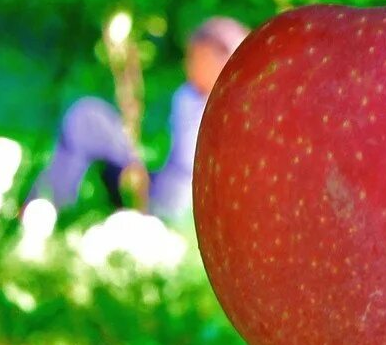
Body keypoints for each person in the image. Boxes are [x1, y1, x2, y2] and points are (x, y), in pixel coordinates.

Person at [34, 16, 249, 221]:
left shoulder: (237, 109)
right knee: (86, 117)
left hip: (169, 205)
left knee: (86, 121)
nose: (188, 66)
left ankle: (45, 204)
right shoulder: (189, 95)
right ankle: (44, 204)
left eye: (195, 58)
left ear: (221, 57)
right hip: (159, 187)